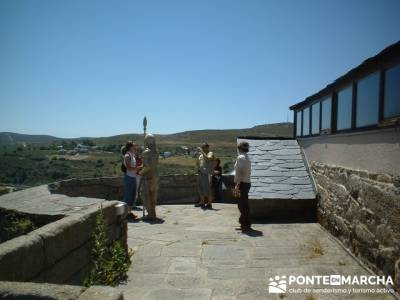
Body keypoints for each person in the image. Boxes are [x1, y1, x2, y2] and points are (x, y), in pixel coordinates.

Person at [234, 141, 252, 232]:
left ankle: (246, 225)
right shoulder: (247, 158)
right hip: (246, 183)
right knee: (244, 204)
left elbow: (240, 172)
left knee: (242, 205)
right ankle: (244, 224)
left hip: (242, 183)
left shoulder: (240, 157)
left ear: (239, 149)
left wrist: (237, 184)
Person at [141, 134, 159, 220]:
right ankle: (153, 213)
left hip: (147, 175)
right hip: (155, 174)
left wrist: (141, 172)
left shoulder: (146, 152)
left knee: (145, 195)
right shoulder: (156, 151)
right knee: (153, 195)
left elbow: (147, 166)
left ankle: (150, 214)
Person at [195, 142, 215, 209]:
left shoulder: (210, 153)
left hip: (207, 174)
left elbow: (208, 159)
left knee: (207, 189)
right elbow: (197, 163)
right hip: (200, 173)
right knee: (200, 188)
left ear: (207, 147)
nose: (203, 149)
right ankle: (202, 202)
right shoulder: (201, 155)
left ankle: (209, 203)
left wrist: (201, 152)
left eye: (204, 147)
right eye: (202, 147)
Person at [123, 141, 137, 219]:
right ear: (130, 147)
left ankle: (129, 213)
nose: (135, 147)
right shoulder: (127, 155)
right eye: (134, 146)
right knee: (128, 195)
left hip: (133, 177)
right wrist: (137, 168)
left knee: (132, 196)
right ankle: (125, 214)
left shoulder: (132, 155)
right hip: (129, 177)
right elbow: (128, 167)